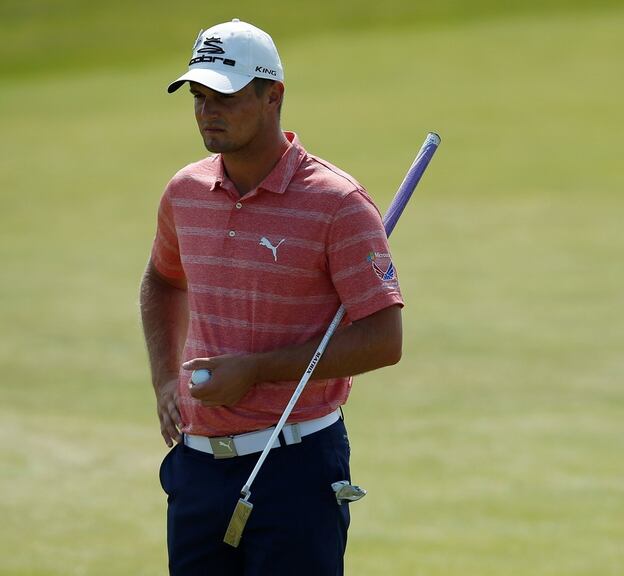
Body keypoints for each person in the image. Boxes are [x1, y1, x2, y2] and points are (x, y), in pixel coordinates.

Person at [139, 18, 403, 575]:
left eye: (226, 96)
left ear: (272, 95)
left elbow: (384, 338)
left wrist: (255, 370)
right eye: (199, 96)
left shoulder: (338, 202)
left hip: (296, 467)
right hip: (198, 468)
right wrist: (165, 379)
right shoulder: (185, 191)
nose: (207, 110)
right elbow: (162, 279)